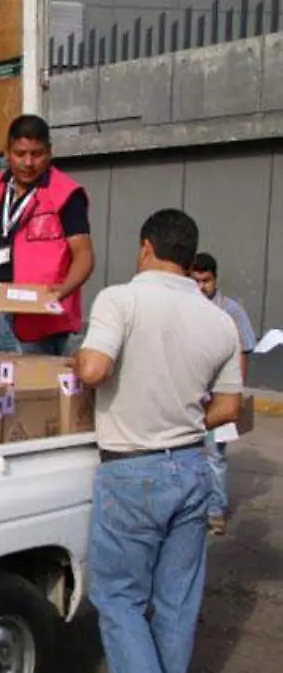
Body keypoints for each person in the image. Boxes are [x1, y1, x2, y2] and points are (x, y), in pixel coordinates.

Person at [72, 208, 243, 673]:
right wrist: (180, 418)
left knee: (120, 598)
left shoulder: (120, 300)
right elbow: (229, 407)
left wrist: (79, 360)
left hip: (131, 469)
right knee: (177, 603)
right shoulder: (220, 321)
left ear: (146, 248)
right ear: (188, 257)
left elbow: (93, 369)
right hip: (191, 467)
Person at [0, 114, 96, 355]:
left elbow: (84, 255)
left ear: (49, 152)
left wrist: (62, 291)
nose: (28, 163)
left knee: (35, 379)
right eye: (20, 154)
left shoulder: (66, 194)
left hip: (42, 321)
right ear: (7, 152)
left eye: (37, 154)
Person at [191, 251, 258, 535]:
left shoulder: (230, 311)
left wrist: (236, 393)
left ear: (215, 279)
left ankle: (215, 511)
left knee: (214, 455)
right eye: (195, 281)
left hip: (218, 395)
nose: (201, 287)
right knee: (188, 455)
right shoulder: (184, 307)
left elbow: (244, 349)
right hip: (189, 392)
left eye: (206, 281)